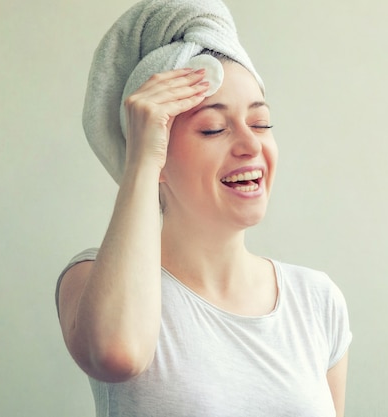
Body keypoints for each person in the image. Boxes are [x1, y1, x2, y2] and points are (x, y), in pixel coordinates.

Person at [56, 1, 352, 416]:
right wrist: (141, 160)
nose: (251, 145)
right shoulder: (93, 278)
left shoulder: (317, 300)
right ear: (156, 151)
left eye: (262, 122)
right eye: (213, 128)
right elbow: (116, 353)